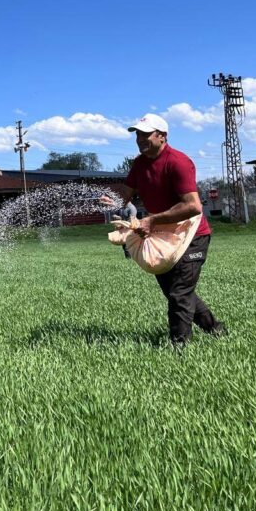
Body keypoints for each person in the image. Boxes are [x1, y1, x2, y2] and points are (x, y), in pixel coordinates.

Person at [102, 113, 226, 346]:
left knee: (179, 293)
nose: (140, 139)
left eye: (146, 134)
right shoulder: (139, 164)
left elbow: (193, 206)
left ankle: (179, 347)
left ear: (162, 136)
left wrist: (152, 220)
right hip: (161, 235)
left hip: (191, 235)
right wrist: (114, 201)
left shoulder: (178, 162)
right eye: (138, 135)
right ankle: (216, 330)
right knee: (175, 291)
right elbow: (125, 193)